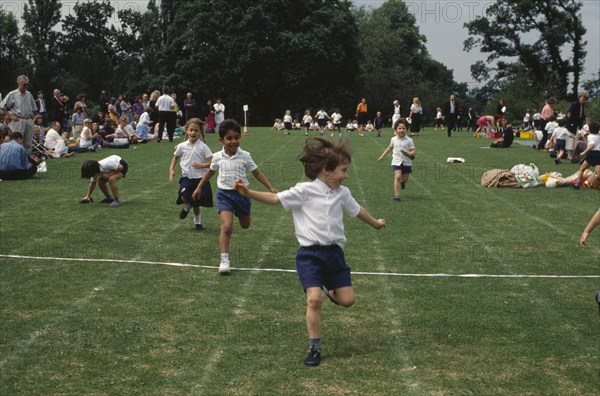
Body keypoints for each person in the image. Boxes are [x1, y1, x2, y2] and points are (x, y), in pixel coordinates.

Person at [234, 137, 385, 367]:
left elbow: (357, 210)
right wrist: (248, 193)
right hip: (309, 256)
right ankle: (315, 347)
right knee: (313, 300)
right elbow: (275, 198)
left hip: (335, 255)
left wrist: (375, 223)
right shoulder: (304, 191)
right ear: (326, 170)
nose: (346, 175)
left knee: (348, 301)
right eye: (343, 170)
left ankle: (326, 287)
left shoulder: (342, 193)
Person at [192, 119, 277, 275]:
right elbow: (210, 172)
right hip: (224, 194)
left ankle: (243, 214)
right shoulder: (217, 157)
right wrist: (199, 187)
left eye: (236, 137)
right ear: (221, 140)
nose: (233, 141)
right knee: (227, 226)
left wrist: (270, 187)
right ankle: (224, 260)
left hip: (242, 195)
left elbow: (256, 173)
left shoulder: (245, 156)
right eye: (229, 138)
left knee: (245, 225)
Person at [169, 118, 213, 230]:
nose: (193, 132)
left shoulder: (203, 147)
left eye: (196, 130)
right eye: (191, 130)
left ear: (200, 132)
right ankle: (187, 207)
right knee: (184, 196)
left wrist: (201, 165)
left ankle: (198, 223)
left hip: (200, 179)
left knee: (196, 202)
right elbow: (175, 157)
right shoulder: (182, 146)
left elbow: (212, 162)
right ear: (187, 131)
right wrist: (171, 170)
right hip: (186, 178)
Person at [377, 118, 416, 201]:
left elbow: (413, 150)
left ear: (407, 129)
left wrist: (411, 153)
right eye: (399, 128)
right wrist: (382, 156)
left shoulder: (409, 140)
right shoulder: (393, 139)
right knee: (397, 176)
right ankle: (397, 196)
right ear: (396, 129)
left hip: (406, 162)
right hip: (396, 161)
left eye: (403, 128)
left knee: (404, 180)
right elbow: (389, 148)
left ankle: (403, 183)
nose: (401, 130)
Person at [0, 75, 37, 152]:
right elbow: (2, 106)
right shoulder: (12, 94)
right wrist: (11, 116)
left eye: (27, 84)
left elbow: (34, 108)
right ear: (18, 84)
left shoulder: (29, 94)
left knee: (28, 143)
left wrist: (32, 118)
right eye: (24, 84)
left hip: (29, 120)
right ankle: (16, 160)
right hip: (18, 120)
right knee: (17, 142)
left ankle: (27, 161)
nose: (26, 86)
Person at [574, 121, 600, 189]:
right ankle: (596, 183)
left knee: (582, 169)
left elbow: (592, 145)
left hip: (591, 154)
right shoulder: (599, 136)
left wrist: (584, 152)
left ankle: (578, 184)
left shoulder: (590, 136)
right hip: (598, 155)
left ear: (590, 129)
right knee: (598, 174)